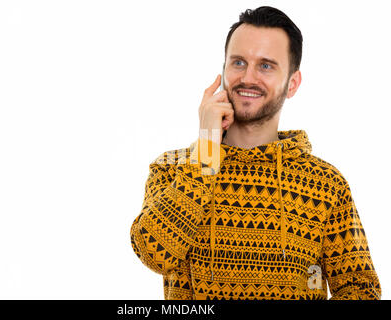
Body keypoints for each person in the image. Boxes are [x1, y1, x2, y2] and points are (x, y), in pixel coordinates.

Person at [130, 6, 381, 300]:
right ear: (223, 71)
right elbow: (154, 255)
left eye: (266, 66)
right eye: (238, 62)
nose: (248, 78)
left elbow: (361, 290)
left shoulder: (326, 183)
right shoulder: (172, 167)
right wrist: (207, 148)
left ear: (292, 84)